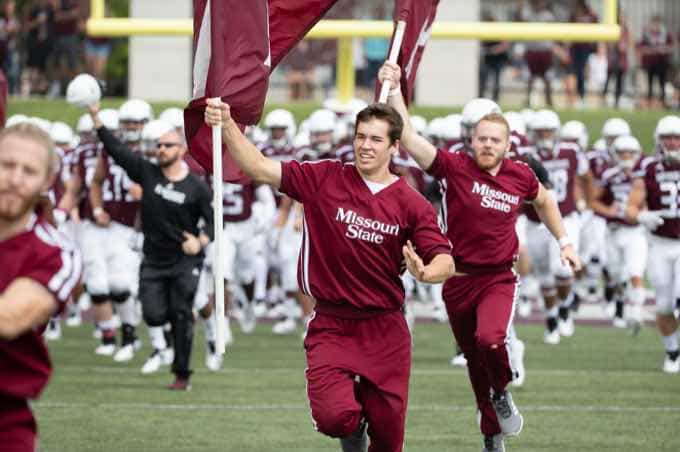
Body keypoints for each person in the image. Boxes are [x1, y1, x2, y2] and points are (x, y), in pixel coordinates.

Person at [205, 99, 454, 452]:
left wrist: (427, 272)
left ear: (395, 147)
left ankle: (366, 422)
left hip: (385, 328)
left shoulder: (411, 202)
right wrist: (227, 124)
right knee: (334, 417)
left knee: (388, 441)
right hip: (332, 323)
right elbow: (259, 167)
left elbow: (444, 258)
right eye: (360, 136)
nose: (365, 145)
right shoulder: (323, 178)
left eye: (376, 139)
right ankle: (353, 427)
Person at [380, 61, 581, 451]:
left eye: (495, 140)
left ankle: (502, 392)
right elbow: (407, 136)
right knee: (474, 360)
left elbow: (545, 200)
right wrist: (394, 89)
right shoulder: (454, 167)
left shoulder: (521, 174)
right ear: (471, 141)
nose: (488, 145)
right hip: (456, 278)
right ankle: (491, 434)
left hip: (497, 277)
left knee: (490, 339)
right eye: (482, 138)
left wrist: (564, 241)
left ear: (508, 144)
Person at [86, 102, 214, 390]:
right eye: (157, 145)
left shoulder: (196, 187)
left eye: (167, 145)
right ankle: (165, 337)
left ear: (180, 148)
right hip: (154, 258)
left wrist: (201, 240)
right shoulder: (147, 173)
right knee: (153, 313)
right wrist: (96, 119)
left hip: (184, 260)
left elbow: (215, 222)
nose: (161, 149)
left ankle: (182, 375)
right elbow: (117, 152)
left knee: (181, 314)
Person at [0, 122, 82, 450]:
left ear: (47, 181)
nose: (15, 179)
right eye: (6, 165)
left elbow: (8, 320)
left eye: (29, 171)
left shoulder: (55, 254)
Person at [626, 115, 680, 373]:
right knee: (664, 306)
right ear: (658, 140)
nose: (672, 141)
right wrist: (642, 215)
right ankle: (672, 351)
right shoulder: (648, 167)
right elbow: (630, 208)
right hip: (659, 244)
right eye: (667, 137)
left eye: (676, 137)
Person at [638, 15, 675, 109]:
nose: (655, 26)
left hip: (662, 63)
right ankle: (649, 102)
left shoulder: (665, 34)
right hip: (650, 64)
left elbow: (671, 47)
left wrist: (663, 49)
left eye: (657, 24)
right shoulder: (647, 35)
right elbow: (640, 47)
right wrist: (649, 50)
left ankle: (662, 102)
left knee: (662, 83)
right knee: (650, 84)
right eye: (654, 24)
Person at [567, 0, 598, 108]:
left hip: (585, 48)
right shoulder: (574, 14)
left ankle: (581, 97)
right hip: (575, 47)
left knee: (581, 73)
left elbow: (595, 24)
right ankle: (574, 98)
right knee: (573, 73)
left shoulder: (590, 14)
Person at [602, 9, 631, 109]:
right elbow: (607, 43)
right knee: (608, 80)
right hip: (613, 59)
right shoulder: (613, 28)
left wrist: (622, 46)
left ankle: (617, 101)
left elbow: (626, 45)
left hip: (621, 60)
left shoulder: (625, 30)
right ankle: (604, 99)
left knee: (619, 81)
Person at [478, 11, 510, 103]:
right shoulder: (485, 31)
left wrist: (494, 50)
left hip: (498, 59)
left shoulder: (499, 30)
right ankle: (481, 98)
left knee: (497, 81)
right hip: (488, 59)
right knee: (483, 78)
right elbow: (482, 43)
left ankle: (495, 99)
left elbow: (505, 44)